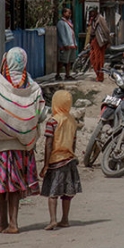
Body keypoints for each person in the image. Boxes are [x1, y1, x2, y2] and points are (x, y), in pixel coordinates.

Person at [0, 47, 45, 234]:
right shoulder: (32, 87)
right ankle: (14, 223)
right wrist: (21, 121)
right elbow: (39, 114)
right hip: (20, 146)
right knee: (14, 185)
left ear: (5, 61)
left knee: (1, 185)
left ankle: (2, 223)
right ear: (24, 62)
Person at [40, 90, 82, 231]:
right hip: (69, 160)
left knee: (53, 193)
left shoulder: (52, 121)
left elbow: (49, 144)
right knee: (66, 193)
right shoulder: (72, 121)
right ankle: (65, 219)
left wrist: (45, 164)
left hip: (56, 161)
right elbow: (74, 142)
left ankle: (53, 220)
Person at [87, 8, 110, 82]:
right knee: (93, 58)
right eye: (90, 12)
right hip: (94, 41)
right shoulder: (92, 19)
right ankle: (98, 75)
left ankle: (100, 77)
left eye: (93, 12)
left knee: (99, 60)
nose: (91, 13)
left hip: (99, 41)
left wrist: (107, 40)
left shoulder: (100, 18)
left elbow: (106, 30)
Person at [56, 7, 77, 81]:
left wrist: (75, 43)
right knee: (62, 60)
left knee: (69, 61)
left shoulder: (69, 22)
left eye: (70, 13)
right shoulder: (61, 23)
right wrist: (65, 44)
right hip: (65, 45)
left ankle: (67, 75)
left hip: (71, 44)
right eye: (68, 13)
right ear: (64, 13)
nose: (70, 14)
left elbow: (72, 34)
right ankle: (58, 74)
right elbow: (62, 35)